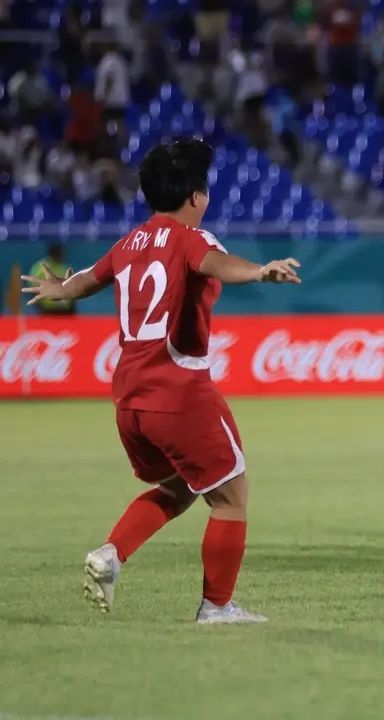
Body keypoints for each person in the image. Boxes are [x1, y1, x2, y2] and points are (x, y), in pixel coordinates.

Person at [20, 138, 302, 622]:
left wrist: (56, 288)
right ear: (196, 196)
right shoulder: (193, 239)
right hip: (179, 391)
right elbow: (215, 264)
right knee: (232, 496)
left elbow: (86, 279)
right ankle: (217, 608)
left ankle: (111, 555)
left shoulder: (128, 243)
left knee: (181, 488)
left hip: (130, 398)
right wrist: (260, 271)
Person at [29, 243, 75, 315]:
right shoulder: (40, 268)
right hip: (47, 311)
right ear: (55, 254)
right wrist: (40, 310)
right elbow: (34, 290)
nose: (62, 256)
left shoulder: (64, 268)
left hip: (64, 312)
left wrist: (72, 311)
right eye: (60, 253)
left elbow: (72, 291)